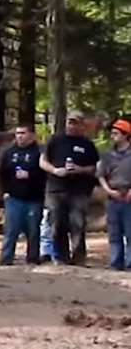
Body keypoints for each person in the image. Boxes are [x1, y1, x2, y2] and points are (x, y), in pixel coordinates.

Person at [39, 111, 99, 266]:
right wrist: (55, 170)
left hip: (79, 191)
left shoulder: (88, 145)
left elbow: (95, 168)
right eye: (69, 122)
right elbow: (43, 161)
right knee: (57, 223)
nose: (71, 125)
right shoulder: (56, 141)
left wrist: (79, 169)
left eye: (75, 123)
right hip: (56, 189)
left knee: (77, 224)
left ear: (81, 125)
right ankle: (61, 258)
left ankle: (79, 259)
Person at [0, 124, 46, 265]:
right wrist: (5, 191)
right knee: (11, 230)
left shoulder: (39, 152)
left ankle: (32, 258)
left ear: (31, 135)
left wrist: (30, 175)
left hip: (34, 199)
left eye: (23, 133)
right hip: (13, 198)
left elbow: (45, 175)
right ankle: (6, 259)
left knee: (33, 231)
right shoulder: (9, 153)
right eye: (17, 133)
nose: (20, 136)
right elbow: (1, 174)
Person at [96, 118, 131, 271]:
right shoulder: (108, 155)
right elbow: (100, 175)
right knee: (114, 233)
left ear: (126, 135)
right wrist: (108, 190)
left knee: (130, 233)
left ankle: (130, 264)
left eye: (116, 133)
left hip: (129, 196)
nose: (113, 136)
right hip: (113, 197)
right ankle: (115, 263)